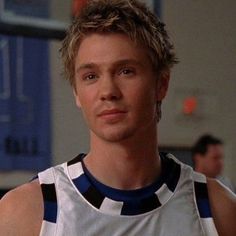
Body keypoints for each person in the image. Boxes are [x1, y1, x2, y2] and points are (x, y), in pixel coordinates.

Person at [0, 0, 235, 235]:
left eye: (126, 71)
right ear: (76, 93)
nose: (108, 91)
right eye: (91, 76)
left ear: (161, 83)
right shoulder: (25, 212)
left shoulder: (218, 210)